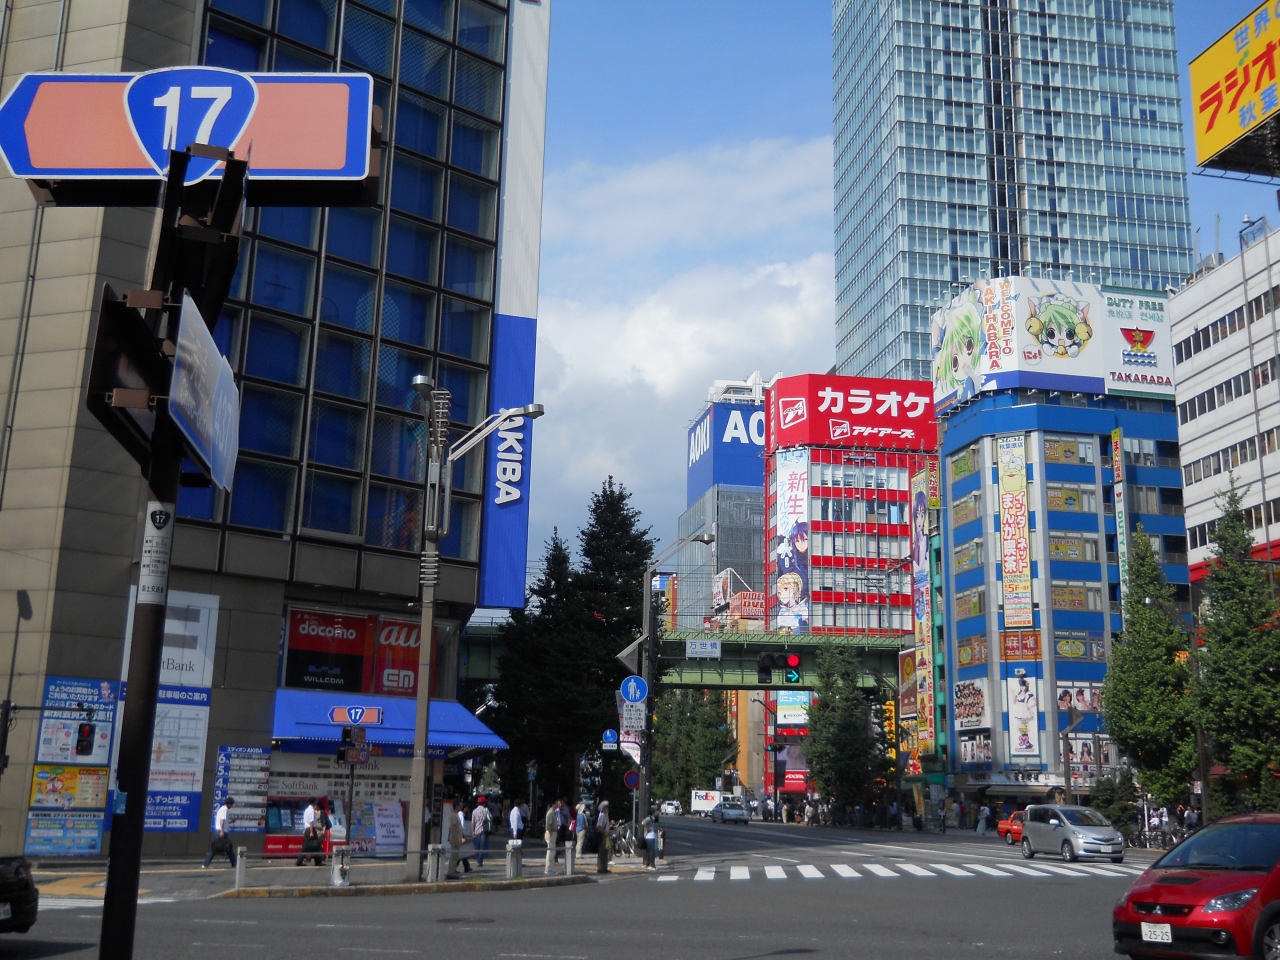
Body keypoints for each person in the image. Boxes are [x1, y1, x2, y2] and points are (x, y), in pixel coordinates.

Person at [202, 796, 237, 868]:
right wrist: (222, 831)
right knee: (227, 848)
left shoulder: (221, 809)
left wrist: (231, 821)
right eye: (232, 804)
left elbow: (223, 821)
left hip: (220, 831)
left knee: (216, 849)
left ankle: (206, 864)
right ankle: (235, 864)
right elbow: (221, 821)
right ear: (229, 804)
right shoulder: (225, 809)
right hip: (221, 832)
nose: (232, 806)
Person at [296, 797, 324, 867]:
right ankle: (317, 861)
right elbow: (311, 821)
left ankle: (316, 861)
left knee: (308, 846)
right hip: (311, 829)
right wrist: (312, 831)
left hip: (307, 829)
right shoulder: (311, 810)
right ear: (314, 802)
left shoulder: (306, 810)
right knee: (315, 845)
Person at [446, 806, 470, 879]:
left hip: (457, 839)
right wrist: (456, 840)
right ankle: (450, 873)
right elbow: (453, 828)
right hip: (455, 840)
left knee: (455, 857)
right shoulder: (454, 815)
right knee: (454, 857)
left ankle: (452, 872)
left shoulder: (456, 815)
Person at [471, 797, 491, 867]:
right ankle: (479, 862)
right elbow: (490, 818)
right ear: (484, 803)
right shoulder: (486, 810)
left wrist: (473, 831)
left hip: (476, 831)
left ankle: (477, 859)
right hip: (484, 830)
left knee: (477, 846)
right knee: (482, 847)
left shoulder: (474, 811)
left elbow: (473, 822)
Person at [544, 800, 561, 874]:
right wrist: (551, 833)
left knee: (551, 852)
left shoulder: (553, 812)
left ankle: (550, 868)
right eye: (556, 803)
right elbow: (548, 825)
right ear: (553, 804)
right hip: (551, 833)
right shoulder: (550, 813)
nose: (558, 805)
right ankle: (549, 869)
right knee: (551, 852)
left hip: (553, 832)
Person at [595, 802, 611, 874]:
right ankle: (601, 868)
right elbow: (598, 826)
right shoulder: (601, 816)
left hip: (606, 835)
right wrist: (604, 832)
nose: (607, 809)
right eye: (606, 808)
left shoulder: (606, 815)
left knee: (606, 851)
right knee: (602, 852)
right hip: (603, 835)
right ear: (603, 809)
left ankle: (605, 867)